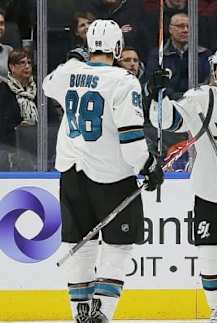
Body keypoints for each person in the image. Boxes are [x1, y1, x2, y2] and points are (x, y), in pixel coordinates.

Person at [42, 19, 164, 323]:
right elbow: (132, 139)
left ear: (88, 46)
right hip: (112, 176)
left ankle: (79, 312)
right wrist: (148, 166)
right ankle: (102, 312)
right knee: (118, 246)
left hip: (71, 173)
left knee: (78, 244)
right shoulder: (123, 80)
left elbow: (47, 85)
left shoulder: (70, 72)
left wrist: (74, 58)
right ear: (117, 48)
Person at [149, 44, 217, 323]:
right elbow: (166, 120)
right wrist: (158, 95)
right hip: (209, 190)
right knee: (210, 254)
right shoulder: (200, 97)